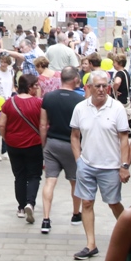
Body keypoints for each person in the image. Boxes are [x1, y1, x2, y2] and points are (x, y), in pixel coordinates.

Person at [70, 70, 131, 260]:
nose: (101, 89)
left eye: (105, 86)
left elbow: (124, 139)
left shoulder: (117, 108)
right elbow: (74, 136)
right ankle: (91, 244)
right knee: (87, 202)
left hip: (111, 166)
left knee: (113, 203)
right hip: (87, 164)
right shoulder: (80, 108)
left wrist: (124, 165)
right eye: (97, 86)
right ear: (88, 87)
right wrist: (79, 160)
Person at [39, 67, 85, 233]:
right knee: (74, 181)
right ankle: (75, 214)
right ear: (75, 80)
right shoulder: (80, 100)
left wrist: (44, 144)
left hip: (52, 142)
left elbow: (43, 124)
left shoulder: (48, 97)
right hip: (72, 144)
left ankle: (46, 219)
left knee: (50, 180)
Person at [0, 74, 43, 223]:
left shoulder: (9, 103)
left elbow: (2, 124)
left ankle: (21, 207)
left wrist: (6, 139)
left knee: (19, 176)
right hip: (34, 144)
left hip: (14, 144)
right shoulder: (38, 103)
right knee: (34, 176)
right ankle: (30, 202)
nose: (37, 88)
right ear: (29, 87)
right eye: (35, 85)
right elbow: (43, 125)